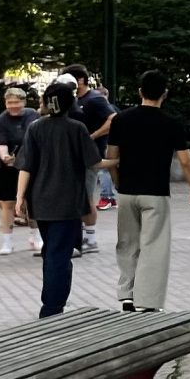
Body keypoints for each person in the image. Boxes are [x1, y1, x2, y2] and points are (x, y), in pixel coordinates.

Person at [103, 69, 190, 311]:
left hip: (127, 191)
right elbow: (186, 160)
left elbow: (111, 156)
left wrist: (117, 181)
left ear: (140, 92)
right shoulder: (171, 123)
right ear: (164, 94)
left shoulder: (120, 120)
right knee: (154, 246)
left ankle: (127, 294)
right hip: (156, 192)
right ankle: (147, 301)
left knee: (127, 243)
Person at [12, 83, 101, 317]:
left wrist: (20, 197)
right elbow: (94, 162)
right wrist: (118, 162)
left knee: (51, 251)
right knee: (59, 256)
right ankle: (52, 307)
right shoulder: (77, 128)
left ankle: (52, 302)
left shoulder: (35, 128)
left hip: (40, 201)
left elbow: (26, 166)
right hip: (68, 202)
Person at [71, 67, 116, 248]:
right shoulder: (74, 100)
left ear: (81, 80)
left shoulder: (94, 98)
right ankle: (83, 235)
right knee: (79, 195)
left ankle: (90, 239)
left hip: (90, 154)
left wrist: (93, 136)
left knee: (87, 195)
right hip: (75, 154)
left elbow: (113, 118)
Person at [0, 85, 32, 255]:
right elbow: (0, 144)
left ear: (24, 102)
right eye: (10, 103)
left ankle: (35, 236)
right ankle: (7, 241)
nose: (13, 106)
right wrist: (5, 156)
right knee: (7, 203)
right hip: (7, 167)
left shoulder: (33, 116)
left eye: (17, 102)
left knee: (32, 201)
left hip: (29, 164)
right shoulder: (0, 121)